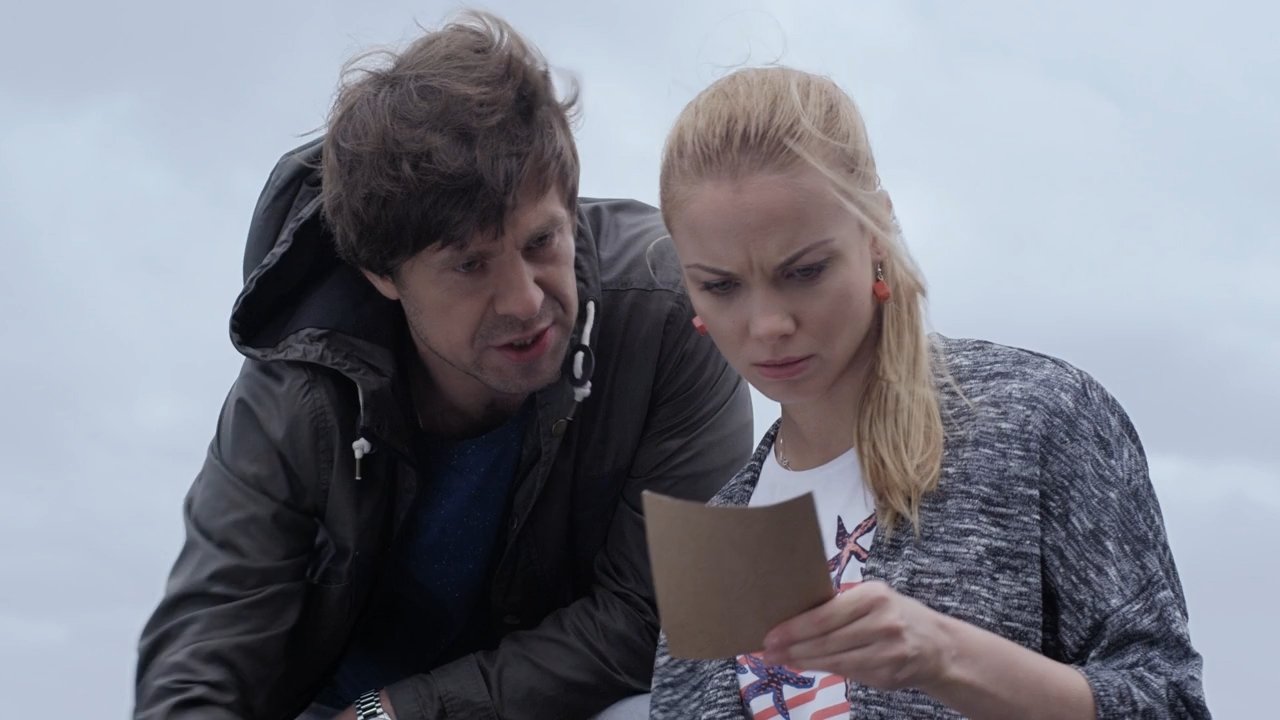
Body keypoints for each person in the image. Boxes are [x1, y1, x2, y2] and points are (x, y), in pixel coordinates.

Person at [133, 11, 754, 720]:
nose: (525, 301)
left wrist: (401, 714)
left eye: (541, 242)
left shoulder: (675, 313)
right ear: (380, 273)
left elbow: (666, 615)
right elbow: (204, 655)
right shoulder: (297, 392)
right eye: (469, 265)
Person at [647, 66, 1210, 719]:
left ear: (877, 232)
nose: (768, 324)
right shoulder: (717, 534)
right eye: (720, 286)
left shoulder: (1037, 418)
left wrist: (948, 657)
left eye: (804, 271)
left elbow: (1170, 703)